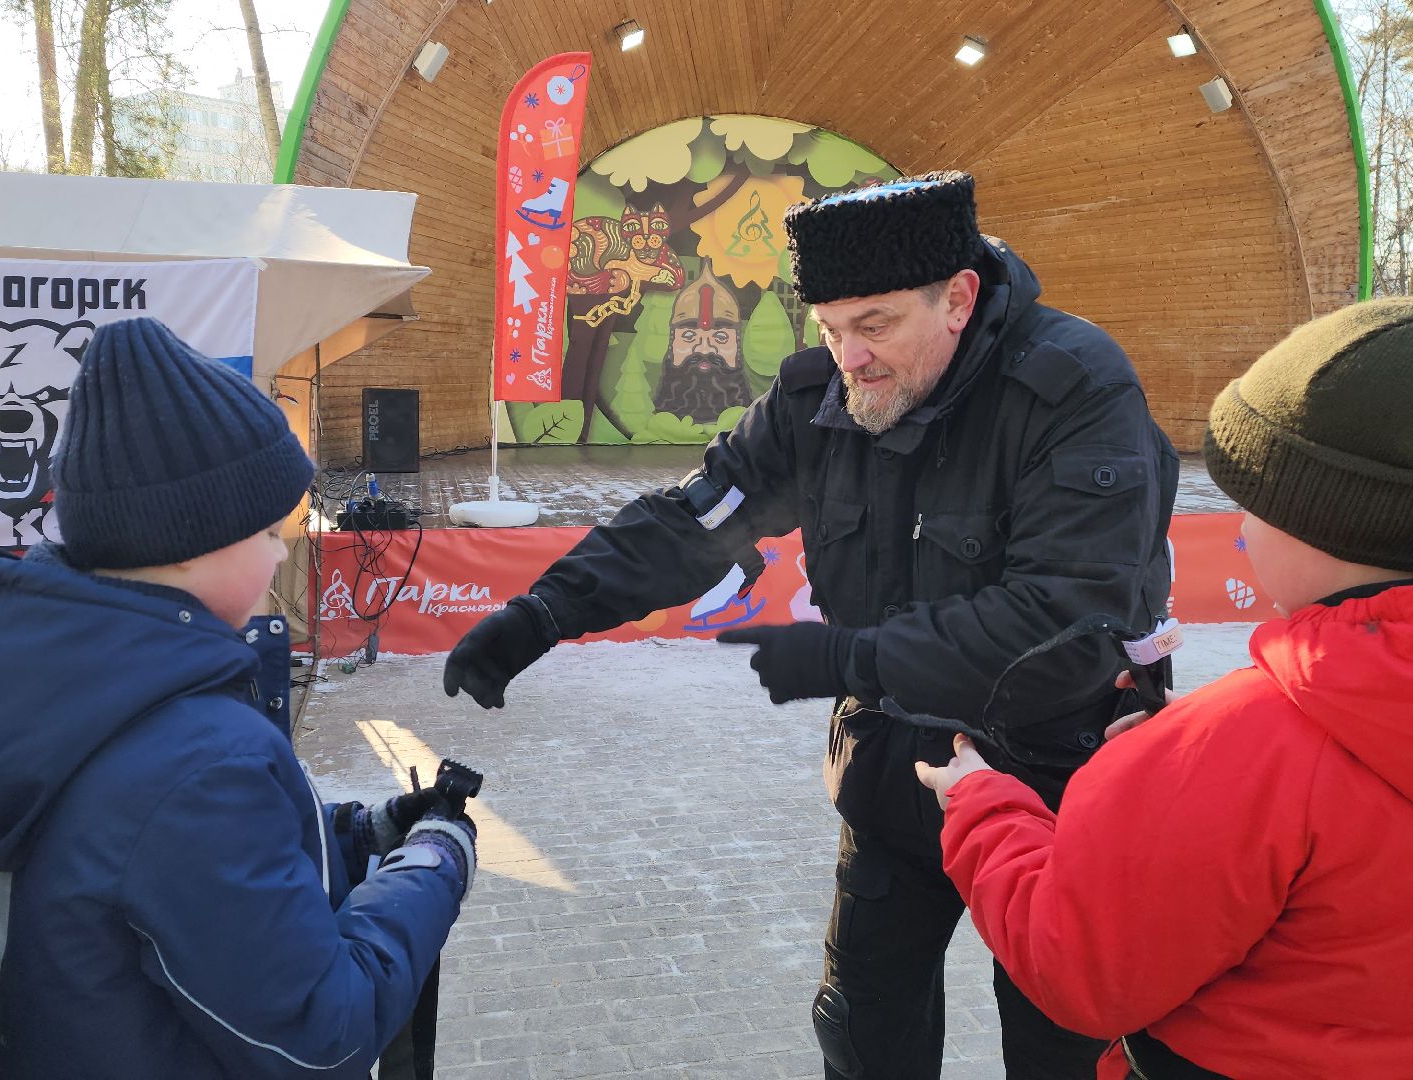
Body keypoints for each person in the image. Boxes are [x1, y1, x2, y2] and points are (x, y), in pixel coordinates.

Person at [444, 172, 1178, 1079]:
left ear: (959, 298)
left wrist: (851, 653)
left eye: (875, 326)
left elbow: (1072, 610)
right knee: (864, 1035)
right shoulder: (814, 401)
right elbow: (696, 522)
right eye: (830, 329)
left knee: (1067, 1042)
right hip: (890, 765)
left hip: (1056, 776)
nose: (851, 358)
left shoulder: (1074, 387)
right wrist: (544, 612)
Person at [917, 298, 1413, 1079]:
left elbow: (1080, 971)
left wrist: (984, 806)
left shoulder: (1249, 747)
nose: (1238, 529)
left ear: (1316, 520)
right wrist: (1182, 766)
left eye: (1250, 502)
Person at [0, 318, 477, 1079]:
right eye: (268, 530)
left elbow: (192, 880)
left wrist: (364, 835)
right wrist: (434, 866)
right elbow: (323, 1037)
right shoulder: (197, 765)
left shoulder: (93, 693)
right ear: (191, 541)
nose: (284, 549)